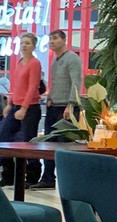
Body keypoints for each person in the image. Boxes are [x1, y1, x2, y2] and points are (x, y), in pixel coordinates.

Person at [33, 30, 82, 189]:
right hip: (53, 106)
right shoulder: (55, 61)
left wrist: (71, 104)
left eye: (55, 38)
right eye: (50, 39)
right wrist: (50, 98)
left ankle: (69, 181)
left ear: (64, 40)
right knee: (49, 143)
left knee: (65, 145)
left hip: (66, 108)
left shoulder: (72, 58)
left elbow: (76, 82)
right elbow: (55, 83)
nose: (51, 42)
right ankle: (48, 178)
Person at [0, 34, 43, 187]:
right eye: (22, 43)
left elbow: (32, 87)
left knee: (28, 141)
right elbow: (17, 86)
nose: (24, 46)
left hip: (30, 107)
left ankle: (32, 175)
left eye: (27, 43)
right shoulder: (20, 63)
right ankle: (8, 174)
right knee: (3, 137)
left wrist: (24, 108)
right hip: (16, 105)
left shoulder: (35, 63)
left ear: (34, 46)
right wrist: (10, 103)